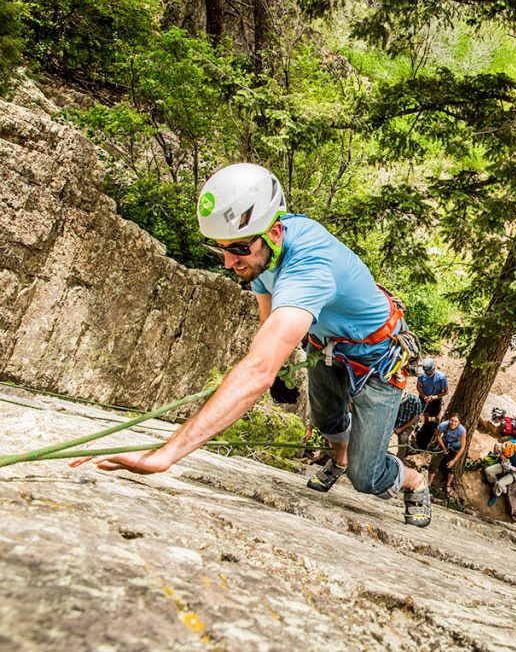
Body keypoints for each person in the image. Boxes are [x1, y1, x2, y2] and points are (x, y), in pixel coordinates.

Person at [71, 163, 431, 527]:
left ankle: (414, 480)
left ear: (274, 232)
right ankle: (339, 456)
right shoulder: (262, 255)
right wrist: (276, 367)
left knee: (366, 477)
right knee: (326, 418)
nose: (229, 263)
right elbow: (268, 318)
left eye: (239, 249)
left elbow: (258, 369)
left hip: (378, 358)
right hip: (326, 346)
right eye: (222, 249)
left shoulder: (309, 266)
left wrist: (167, 454)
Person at [415, 358, 448, 451]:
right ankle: (426, 424)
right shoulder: (422, 375)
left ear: (434, 369)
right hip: (424, 397)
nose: (427, 373)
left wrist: (434, 397)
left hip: (435, 398)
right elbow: (418, 386)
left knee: (437, 414)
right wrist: (423, 395)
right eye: (426, 372)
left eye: (429, 371)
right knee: (425, 413)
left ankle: (438, 428)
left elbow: (446, 392)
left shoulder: (441, 378)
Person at [484, 438, 516, 507]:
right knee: (488, 471)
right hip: (508, 463)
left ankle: (495, 494)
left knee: (500, 484)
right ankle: (493, 483)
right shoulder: (510, 443)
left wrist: (511, 467)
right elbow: (502, 452)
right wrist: (504, 459)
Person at [430, 415, 466, 497]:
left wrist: (454, 460)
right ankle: (429, 483)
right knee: (434, 463)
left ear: (459, 423)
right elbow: (438, 436)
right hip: (444, 442)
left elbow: (463, 447)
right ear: (449, 420)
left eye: (456, 421)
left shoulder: (462, 430)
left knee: (452, 466)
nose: (453, 423)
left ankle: (448, 485)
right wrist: (443, 448)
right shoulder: (443, 425)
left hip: (455, 446)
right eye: (452, 420)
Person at [393, 391, 422, 462]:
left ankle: (399, 460)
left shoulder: (416, 401)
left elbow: (415, 419)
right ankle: (409, 449)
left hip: (410, 423)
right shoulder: (394, 397)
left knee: (403, 438)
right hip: (398, 421)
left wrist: (401, 429)